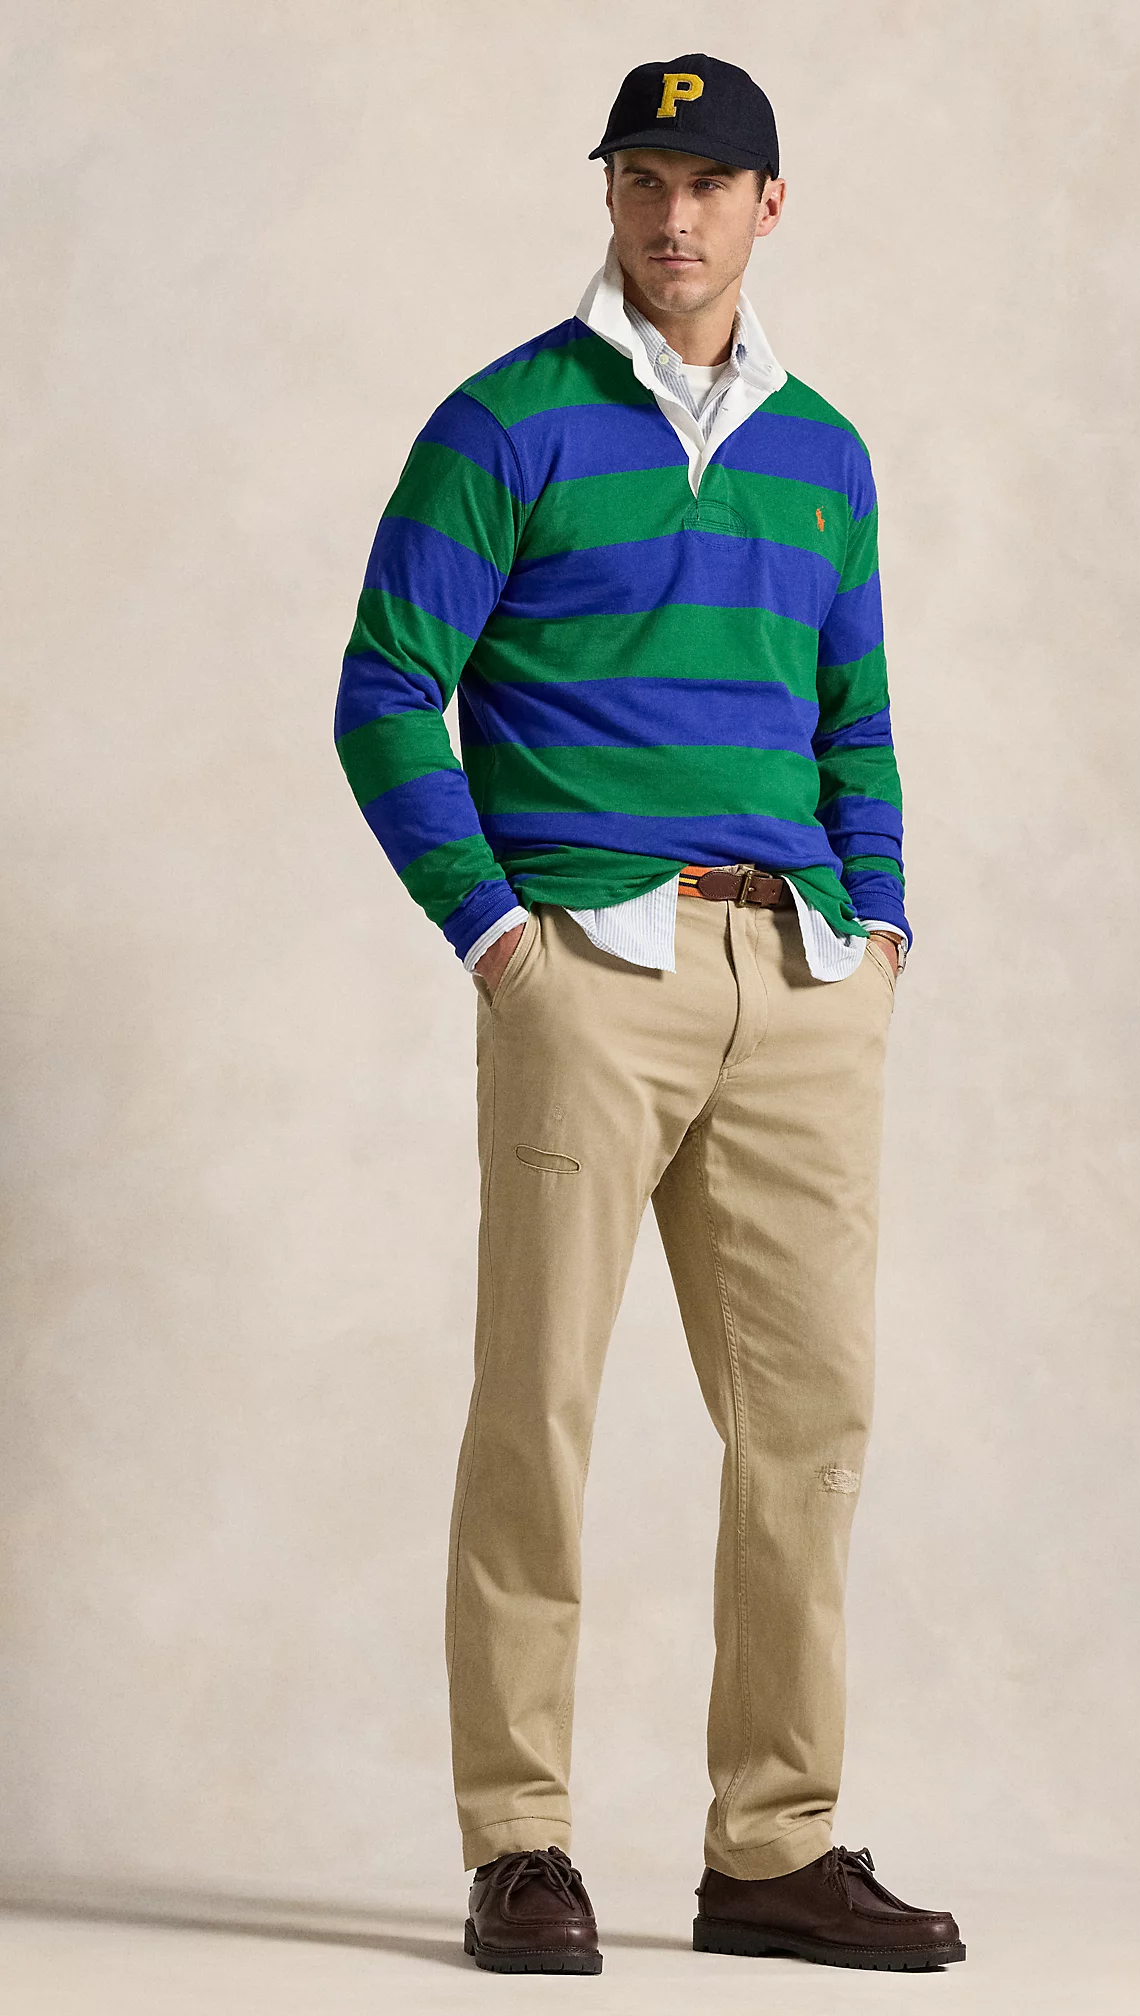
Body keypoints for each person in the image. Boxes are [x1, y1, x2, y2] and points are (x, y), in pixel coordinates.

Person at [335, 49, 963, 1977]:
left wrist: (882, 928)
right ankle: (521, 1841)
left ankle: (771, 1848)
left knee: (811, 1423)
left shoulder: (825, 453)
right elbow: (386, 692)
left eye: (708, 183)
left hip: (802, 978)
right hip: (587, 974)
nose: (673, 216)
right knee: (539, 1406)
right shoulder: (504, 422)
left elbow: (856, 719)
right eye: (642, 179)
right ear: (607, 194)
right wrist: (495, 937)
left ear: (771, 204)